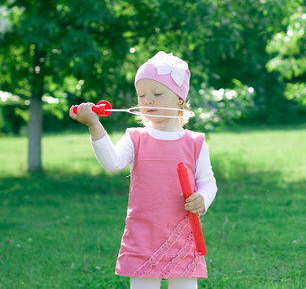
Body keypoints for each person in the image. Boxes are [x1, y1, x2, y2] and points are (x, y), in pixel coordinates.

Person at [69, 51, 218, 289]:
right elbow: (112, 163)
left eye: (157, 94)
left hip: (182, 235)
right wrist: (94, 126)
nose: (147, 100)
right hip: (143, 234)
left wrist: (203, 198)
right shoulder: (136, 137)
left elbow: (208, 182)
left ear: (180, 99)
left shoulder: (195, 142)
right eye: (141, 95)